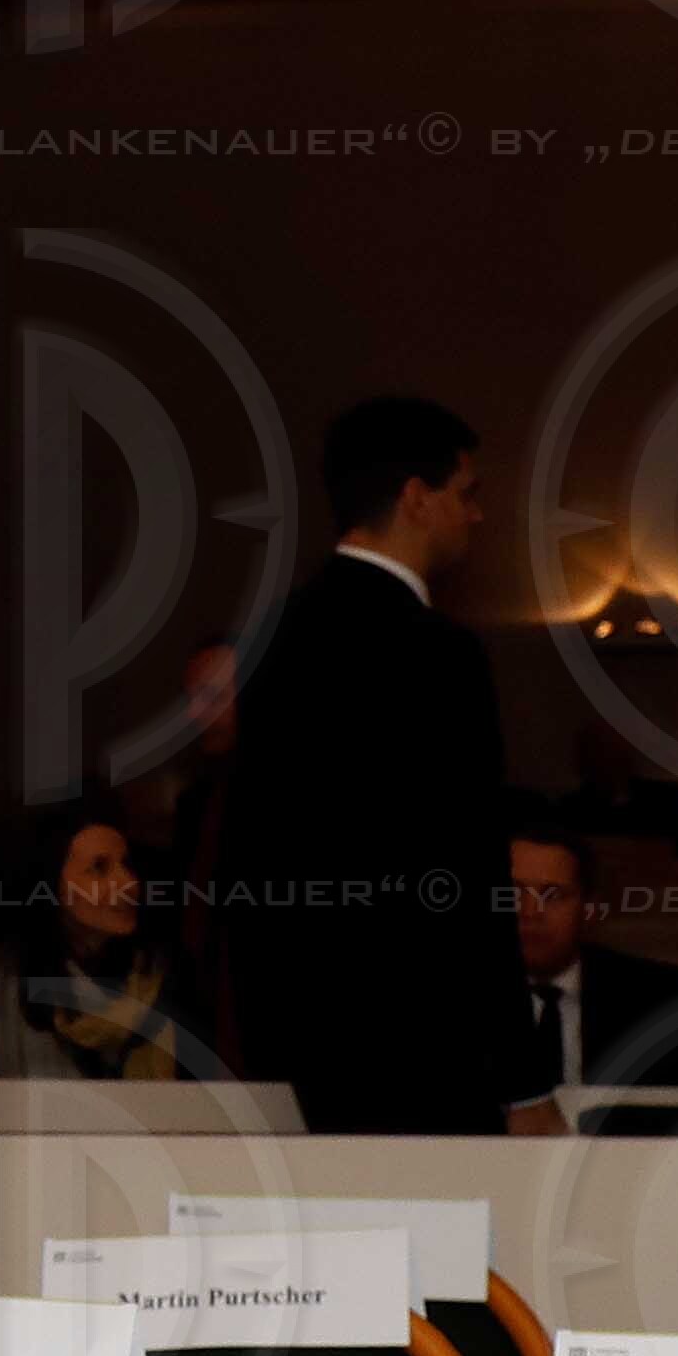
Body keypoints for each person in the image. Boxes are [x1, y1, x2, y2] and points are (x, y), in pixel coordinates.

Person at [212, 395, 559, 1133]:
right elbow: (466, 871)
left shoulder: (273, 634)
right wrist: (523, 1081)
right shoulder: (437, 653)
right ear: (416, 497)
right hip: (424, 1052)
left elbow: (251, 853)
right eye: (466, 492)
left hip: (297, 1047)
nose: (477, 515)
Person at [0, 802, 211, 1080]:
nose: (128, 883)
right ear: (52, 885)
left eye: (126, 865)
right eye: (99, 868)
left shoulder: (164, 977)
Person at [508, 809, 678, 1094]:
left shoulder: (652, 992)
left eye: (553, 895)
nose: (530, 912)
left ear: (589, 910)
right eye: (513, 894)